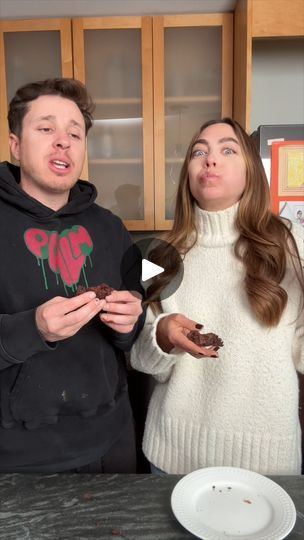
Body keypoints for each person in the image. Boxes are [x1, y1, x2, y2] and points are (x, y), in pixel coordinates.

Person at [130, 117, 304, 476]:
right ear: (188, 174)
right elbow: (140, 359)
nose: (210, 160)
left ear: (250, 172)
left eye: (227, 150)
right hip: (172, 456)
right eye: (199, 152)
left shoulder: (290, 243)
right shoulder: (158, 256)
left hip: (266, 460)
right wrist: (162, 336)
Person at [0, 78, 145, 473]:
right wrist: (33, 328)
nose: (63, 141)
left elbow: (135, 322)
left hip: (111, 442)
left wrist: (130, 319)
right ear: (15, 144)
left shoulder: (112, 228)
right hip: (19, 456)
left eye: (75, 133)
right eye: (46, 128)